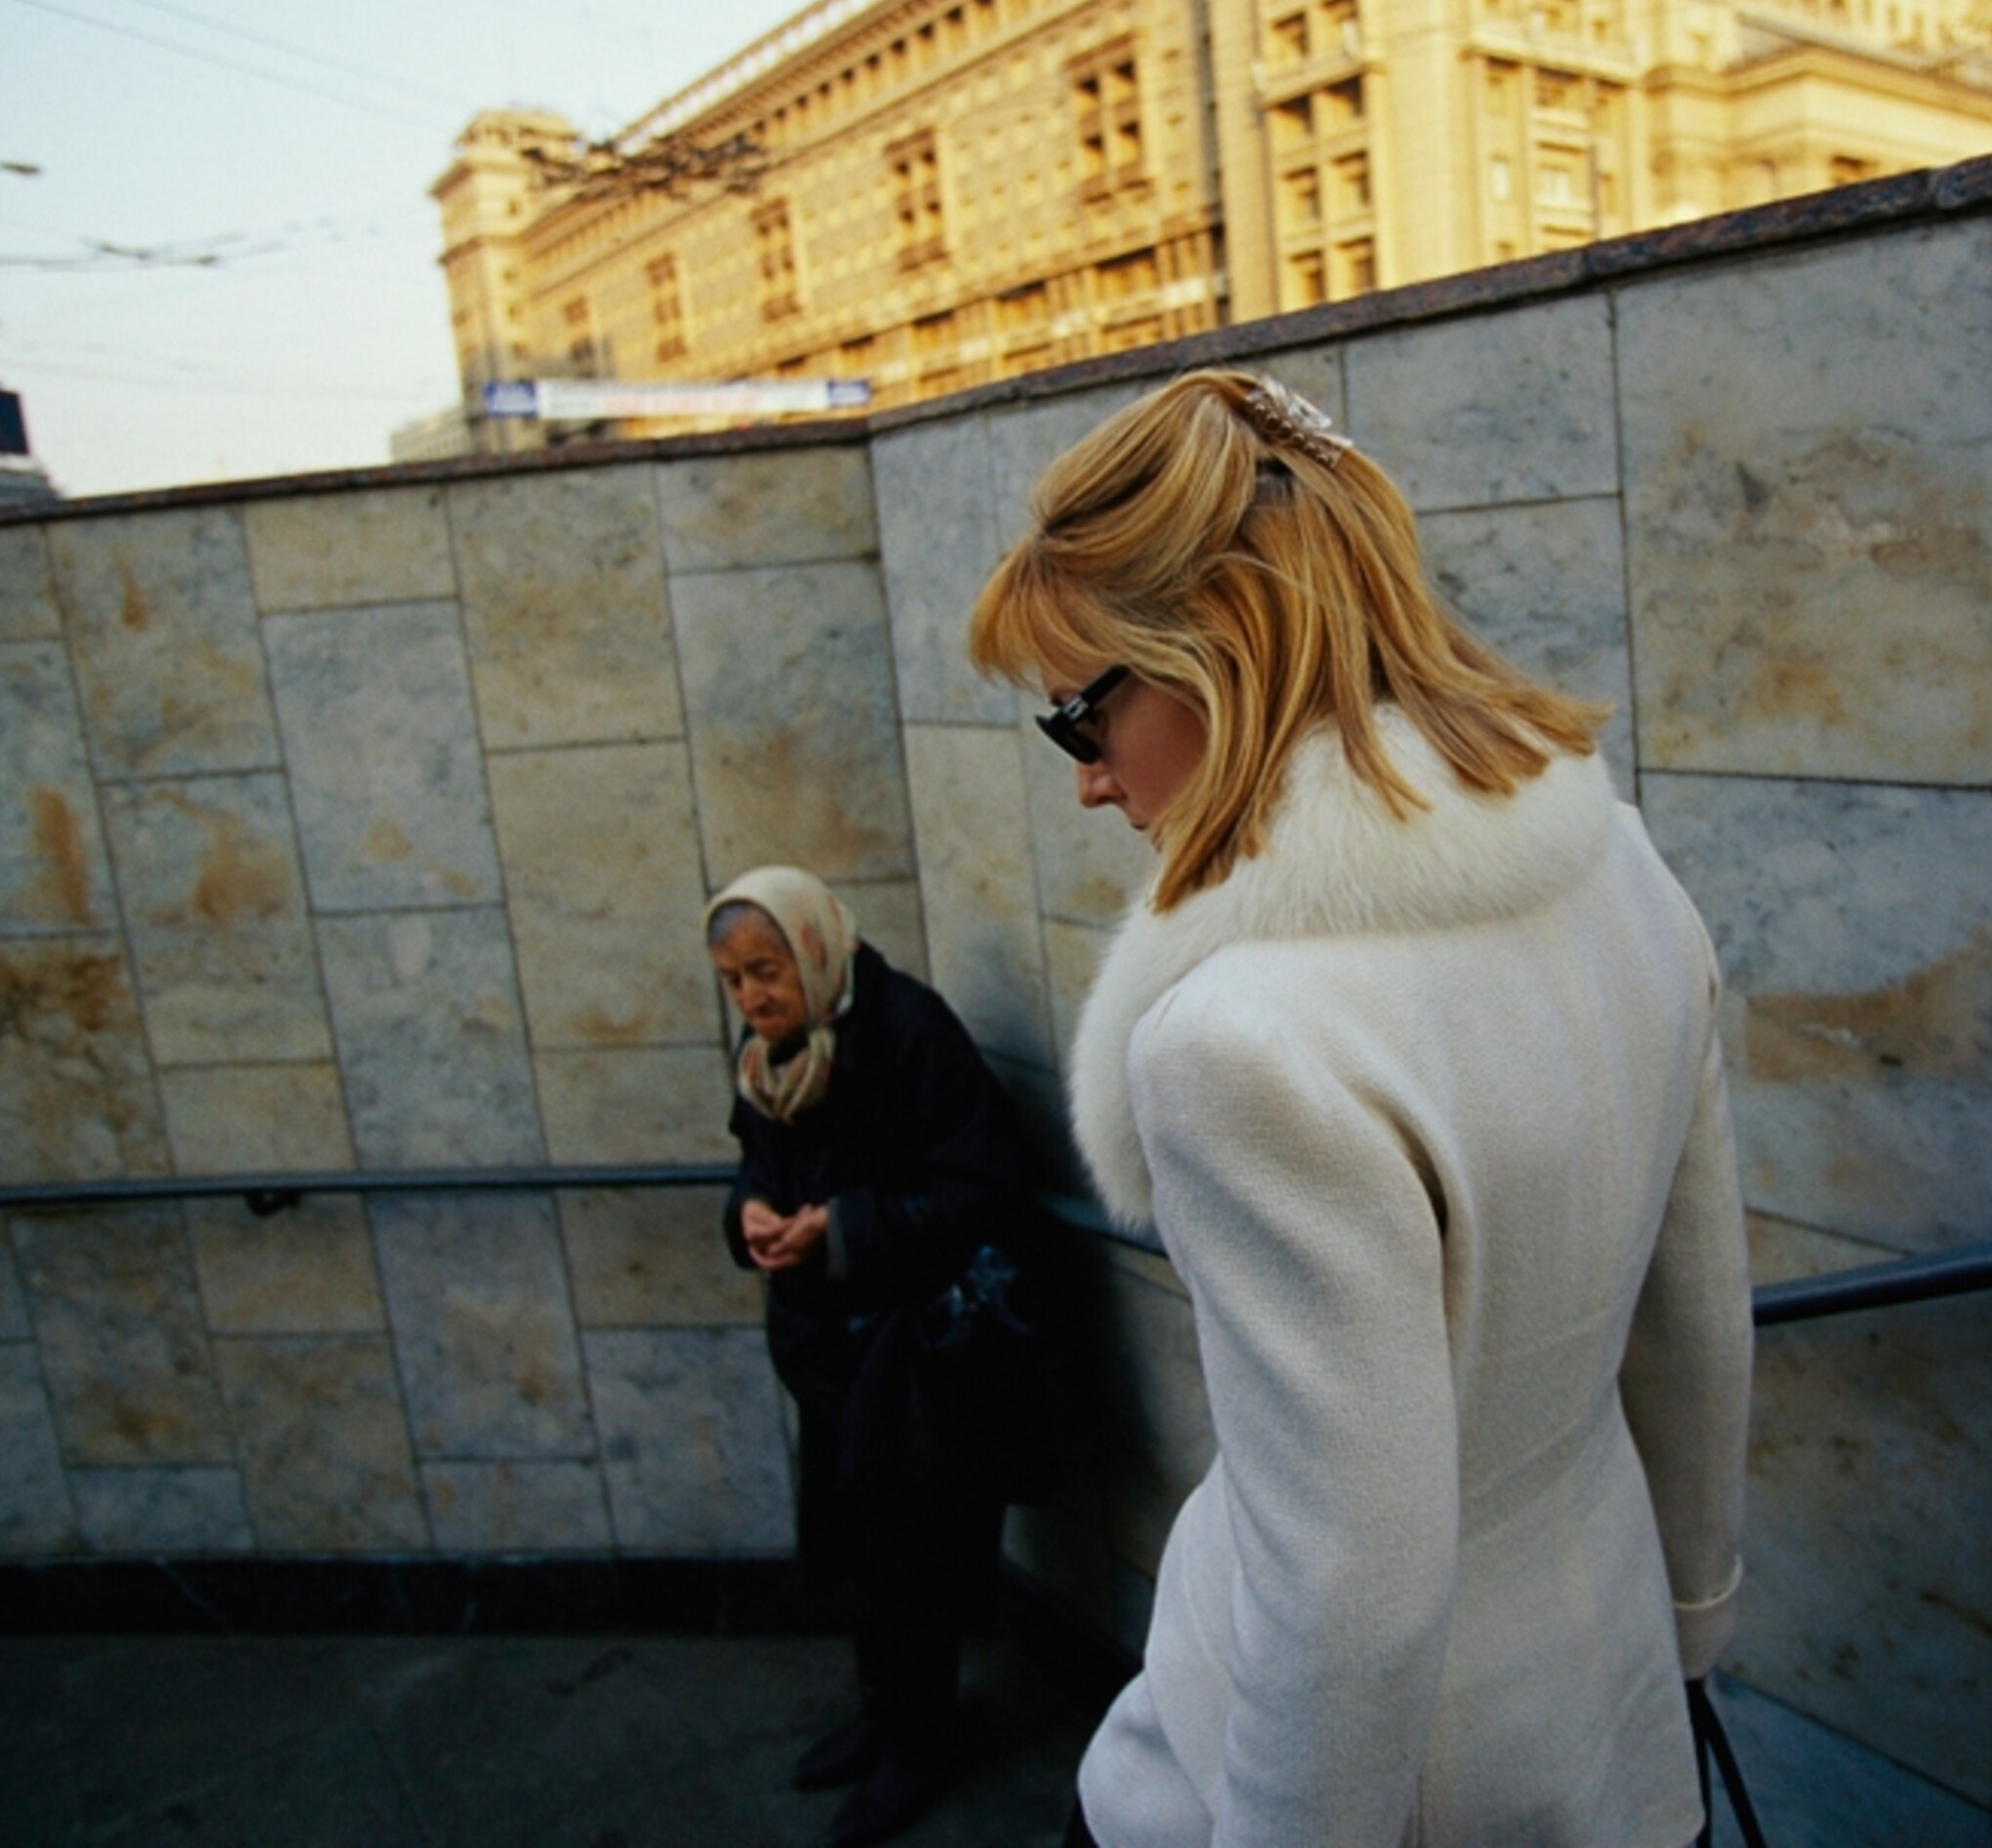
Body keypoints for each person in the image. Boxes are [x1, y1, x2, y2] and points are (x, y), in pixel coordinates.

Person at [969, 368, 1754, 1847]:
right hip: (1612, 1708)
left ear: (1216, 650)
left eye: (1079, 718)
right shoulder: (1620, 865)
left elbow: (1350, 1596)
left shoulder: (1241, 1045)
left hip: (1373, 1784)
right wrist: (1692, 1612)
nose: (1086, 784)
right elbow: (1699, 1315)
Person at [707, 864, 1048, 1848]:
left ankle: (921, 1745)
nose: (753, 994)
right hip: (832, 1350)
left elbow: (986, 1180)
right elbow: (754, 1165)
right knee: (862, 1548)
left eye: (766, 968)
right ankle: (885, 1717)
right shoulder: (773, 1052)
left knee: (915, 1559)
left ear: (815, 948)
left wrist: (844, 1226)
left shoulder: (906, 1029)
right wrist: (754, 1217)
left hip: (915, 1353)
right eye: (733, 978)